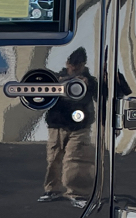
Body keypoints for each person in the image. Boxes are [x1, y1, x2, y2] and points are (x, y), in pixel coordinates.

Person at [39, 47, 96, 206]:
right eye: (72, 64)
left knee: (75, 159)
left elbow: (102, 94)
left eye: (78, 66)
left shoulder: (89, 81)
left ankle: (77, 194)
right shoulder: (57, 77)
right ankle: (52, 190)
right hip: (56, 125)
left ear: (83, 65)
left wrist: (88, 83)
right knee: (53, 159)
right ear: (67, 63)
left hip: (80, 127)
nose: (74, 68)